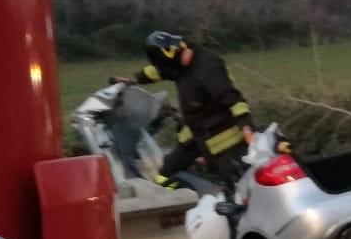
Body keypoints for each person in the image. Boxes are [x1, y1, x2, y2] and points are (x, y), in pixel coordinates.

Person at [110, 31, 256, 191]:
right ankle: (177, 205)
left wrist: (247, 130)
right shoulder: (178, 62)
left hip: (224, 141)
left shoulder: (208, 67)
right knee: (164, 176)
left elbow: (232, 99)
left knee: (236, 187)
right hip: (195, 136)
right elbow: (158, 71)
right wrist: (133, 80)